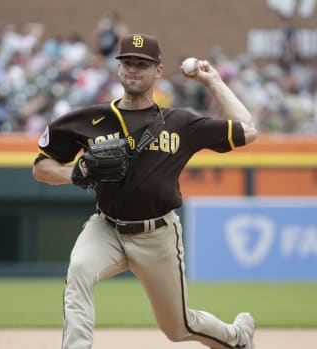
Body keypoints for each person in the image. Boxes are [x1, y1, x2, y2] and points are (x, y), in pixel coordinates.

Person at [33, 33, 258, 349]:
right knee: (80, 269)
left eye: (142, 64)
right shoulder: (89, 120)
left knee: (178, 327)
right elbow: (41, 168)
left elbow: (248, 130)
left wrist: (214, 82)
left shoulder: (180, 123)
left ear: (158, 72)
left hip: (158, 235)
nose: (134, 70)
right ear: (119, 69)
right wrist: (76, 173)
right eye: (128, 63)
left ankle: (237, 338)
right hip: (107, 227)